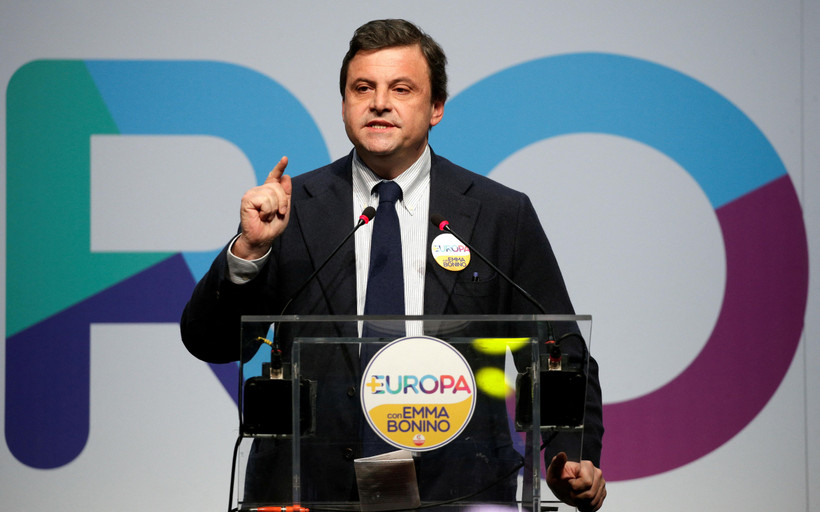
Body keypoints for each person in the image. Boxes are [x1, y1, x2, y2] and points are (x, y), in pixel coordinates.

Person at [181, 18, 606, 511]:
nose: (379, 102)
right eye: (363, 88)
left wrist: (571, 456)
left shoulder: (498, 214)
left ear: (436, 107)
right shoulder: (291, 209)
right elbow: (210, 342)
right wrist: (249, 252)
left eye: (401, 89)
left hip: (459, 491)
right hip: (309, 492)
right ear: (344, 103)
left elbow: (559, 350)